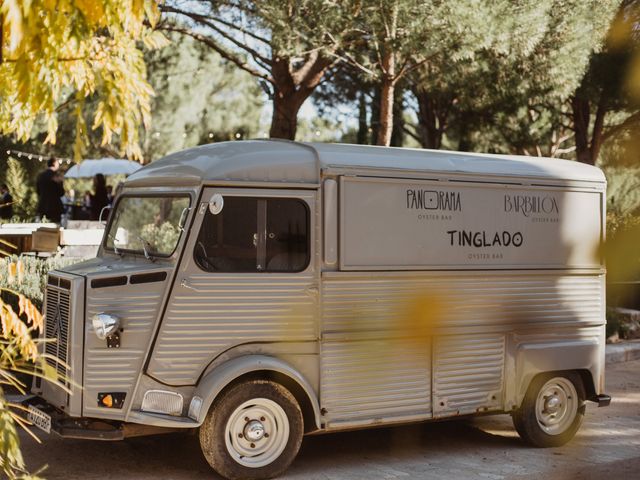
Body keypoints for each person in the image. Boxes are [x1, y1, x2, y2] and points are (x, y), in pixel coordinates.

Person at [36, 157, 65, 223]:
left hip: (43, 206)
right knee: (55, 229)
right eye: (58, 163)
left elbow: (38, 191)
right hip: (55, 207)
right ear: (54, 163)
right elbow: (61, 193)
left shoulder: (40, 176)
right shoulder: (56, 176)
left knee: (42, 229)